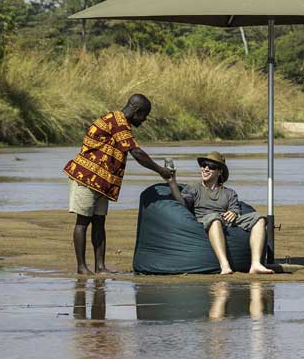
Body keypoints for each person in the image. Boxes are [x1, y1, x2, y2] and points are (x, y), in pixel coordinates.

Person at [64, 94, 175, 275]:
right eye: (145, 115)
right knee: (83, 221)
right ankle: (82, 267)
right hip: (86, 177)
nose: (145, 120)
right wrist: (160, 171)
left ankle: (100, 267)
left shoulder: (119, 122)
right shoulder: (117, 122)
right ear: (137, 111)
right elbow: (136, 153)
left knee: (99, 222)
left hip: (102, 182)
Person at [165, 151, 273, 275]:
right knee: (214, 219)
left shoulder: (229, 193)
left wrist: (234, 212)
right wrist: (172, 182)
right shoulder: (194, 189)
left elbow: (235, 208)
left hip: (226, 221)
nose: (205, 168)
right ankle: (224, 265)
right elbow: (182, 204)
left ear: (219, 171)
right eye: (204, 165)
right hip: (207, 221)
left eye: (211, 166)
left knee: (259, 218)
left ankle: (255, 264)